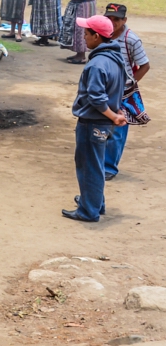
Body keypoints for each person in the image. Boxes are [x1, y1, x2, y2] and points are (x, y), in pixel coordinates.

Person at [62, 14, 127, 222]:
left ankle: (88, 211)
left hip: (93, 122)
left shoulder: (97, 64)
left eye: (86, 33)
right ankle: (95, 202)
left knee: (88, 165)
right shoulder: (116, 59)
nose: (84, 37)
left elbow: (97, 98)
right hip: (104, 123)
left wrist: (113, 115)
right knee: (96, 164)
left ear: (97, 37)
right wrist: (116, 113)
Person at [103, 3, 151, 180]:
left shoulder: (131, 39)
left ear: (125, 20)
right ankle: (99, 162)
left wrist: (130, 84)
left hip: (122, 93)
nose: (112, 22)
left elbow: (145, 65)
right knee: (100, 127)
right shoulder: (102, 35)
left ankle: (109, 167)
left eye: (117, 19)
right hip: (104, 89)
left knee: (117, 131)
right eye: (109, 18)